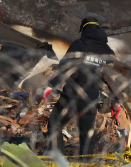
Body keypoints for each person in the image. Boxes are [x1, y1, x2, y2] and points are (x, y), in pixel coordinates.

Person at [45, 17, 117, 155]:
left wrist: (50, 85)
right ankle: (87, 163)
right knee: (87, 134)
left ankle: (57, 158)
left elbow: (65, 66)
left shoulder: (79, 44)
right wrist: (116, 101)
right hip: (92, 98)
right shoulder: (108, 52)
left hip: (72, 94)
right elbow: (112, 77)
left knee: (55, 124)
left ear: (83, 30)